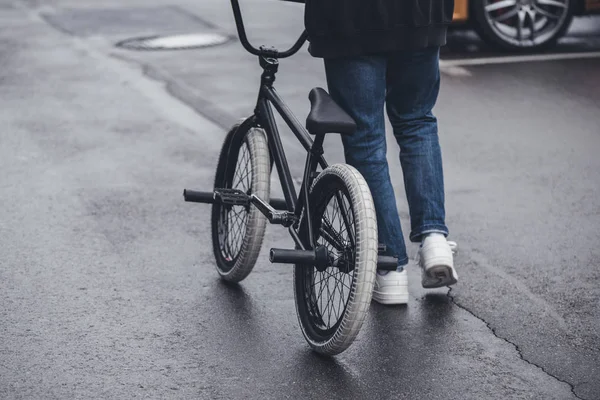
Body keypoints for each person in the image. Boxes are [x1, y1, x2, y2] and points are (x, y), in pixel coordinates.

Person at [304, 0, 459, 305]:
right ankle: (434, 240)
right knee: (417, 121)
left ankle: (390, 269)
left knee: (365, 140)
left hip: (352, 18)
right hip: (421, 11)